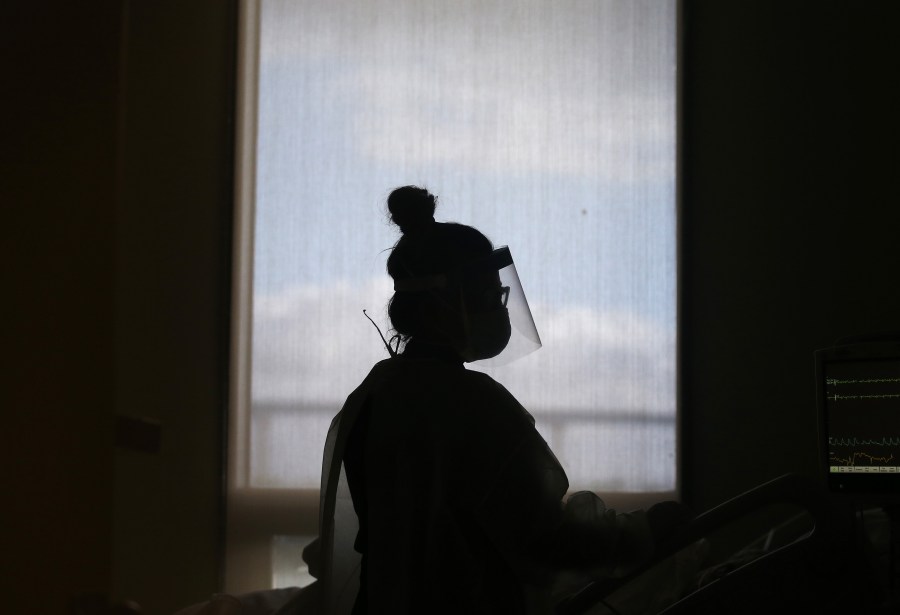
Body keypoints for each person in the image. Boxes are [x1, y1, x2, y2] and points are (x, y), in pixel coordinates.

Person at [311, 186, 691, 615]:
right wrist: (647, 532)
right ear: (445, 303)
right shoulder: (472, 405)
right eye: (492, 298)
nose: (500, 311)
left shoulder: (375, 393)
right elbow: (548, 540)